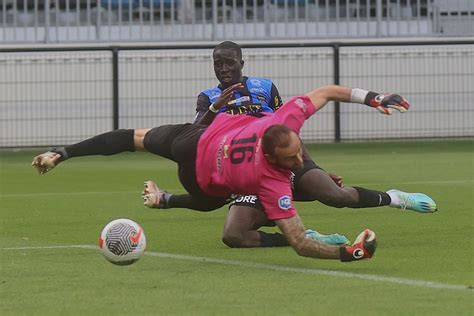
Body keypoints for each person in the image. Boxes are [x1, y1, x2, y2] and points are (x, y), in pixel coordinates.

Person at [32, 84, 422, 262]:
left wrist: (373, 98)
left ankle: (394, 197)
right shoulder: (268, 180)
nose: (298, 161)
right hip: (203, 172)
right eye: (289, 160)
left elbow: (325, 92)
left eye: (298, 152)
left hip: (201, 142)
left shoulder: (285, 120)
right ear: (270, 155)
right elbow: (302, 243)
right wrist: (347, 253)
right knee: (228, 227)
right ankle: (166, 200)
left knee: (334, 194)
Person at [147, 41, 438, 249]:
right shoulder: (207, 96)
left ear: (241, 63)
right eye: (217, 63)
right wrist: (213, 108)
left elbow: (286, 131)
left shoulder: (264, 88)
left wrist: (311, 166)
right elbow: (193, 140)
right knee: (233, 236)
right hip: (249, 176)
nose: (223, 68)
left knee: (335, 196)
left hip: (281, 162)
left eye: (229, 62)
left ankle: (396, 198)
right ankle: (301, 238)